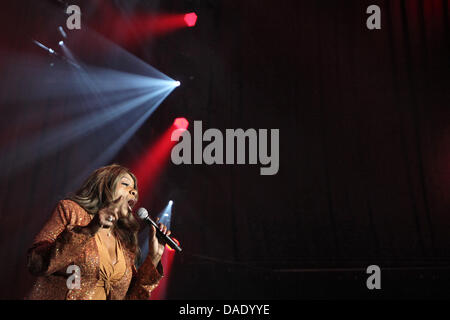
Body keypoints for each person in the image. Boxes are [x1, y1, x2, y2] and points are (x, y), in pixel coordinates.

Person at [26, 164, 171, 300]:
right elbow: (36, 263)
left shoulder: (125, 243)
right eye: (125, 184)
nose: (134, 191)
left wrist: (154, 257)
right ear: (104, 186)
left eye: (135, 189)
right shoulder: (71, 212)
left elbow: (132, 297)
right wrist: (89, 229)